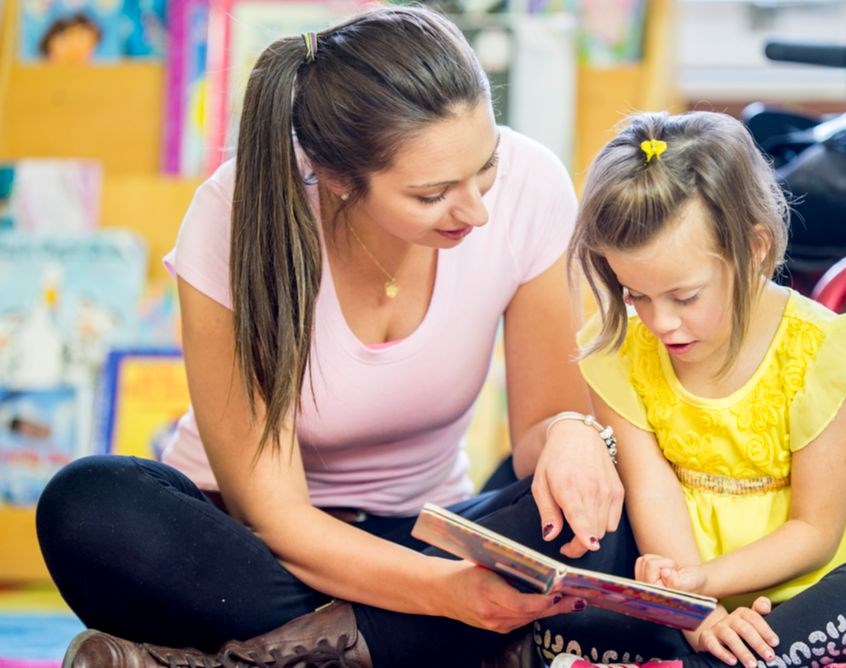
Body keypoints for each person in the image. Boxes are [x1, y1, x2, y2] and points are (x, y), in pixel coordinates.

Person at [35, 6, 624, 666]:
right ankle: (403, 646)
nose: (477, 208)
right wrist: (444, 596)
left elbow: (541, 432)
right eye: (433, 194)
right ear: (338, 178)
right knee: (88, 510)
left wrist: (575, 433)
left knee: (601, 509)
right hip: (252, 548)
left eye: (484, 166)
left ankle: (255, 657)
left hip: (426, 531)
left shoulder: (533, 184)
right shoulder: (236, 211)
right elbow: (277, 517)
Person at [539, 111, 846, 668]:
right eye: (636, 296)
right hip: (694, 611)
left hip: (806, 609)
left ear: (755, 249)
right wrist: (695, 609)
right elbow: (653, 494)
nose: (661, 323)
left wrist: (705, 582)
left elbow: (815, 531)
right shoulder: (622, 353)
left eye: (685, 296)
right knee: (558, 615)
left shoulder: (824, 353)